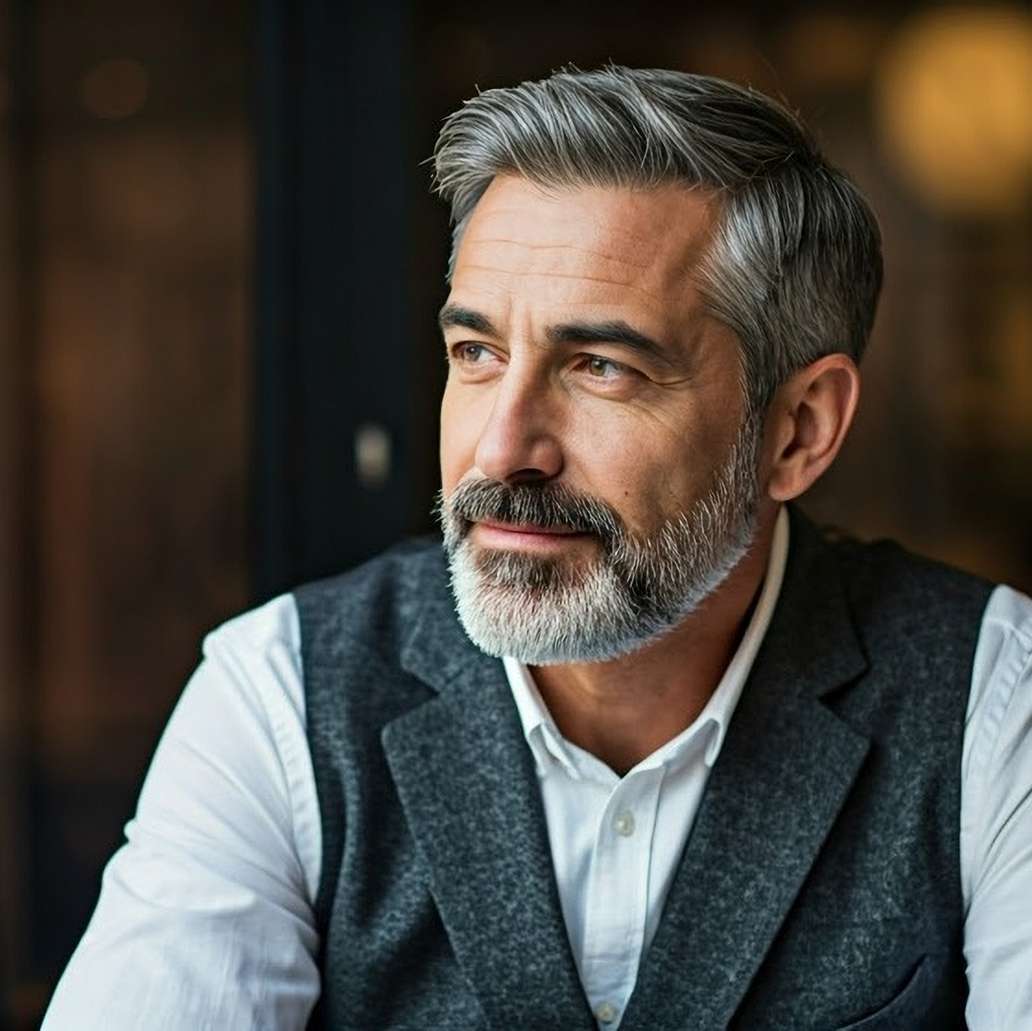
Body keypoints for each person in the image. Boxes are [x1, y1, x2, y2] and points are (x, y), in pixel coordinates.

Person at [43, 66, 1032, 1030]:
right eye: (476, 354)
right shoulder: (283, 691)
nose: (502, 448)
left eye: (601, 366)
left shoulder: (988, 698)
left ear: (798, 429)